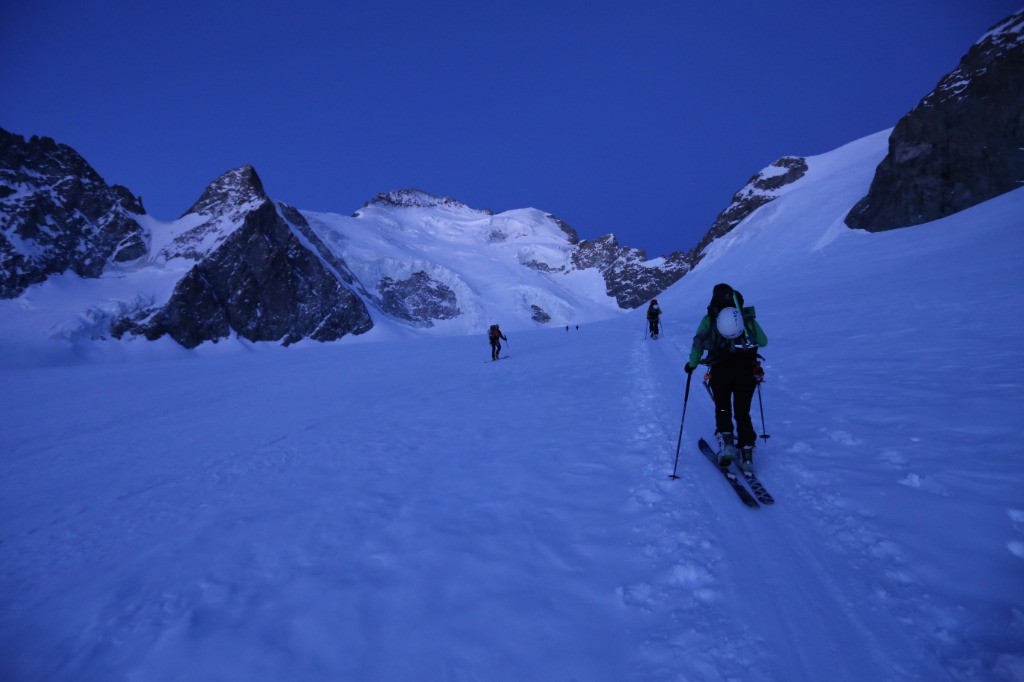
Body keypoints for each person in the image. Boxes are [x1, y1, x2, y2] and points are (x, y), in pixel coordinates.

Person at [684, 283, 767, 472]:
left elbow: (697, 344)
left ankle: (728, 444)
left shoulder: (709, 319)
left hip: (720, 371)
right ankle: (746, 453)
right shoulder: (745, 317)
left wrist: (692, 364)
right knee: (743, 412)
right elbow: (763, 341)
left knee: (722, 408)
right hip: (747, 371)